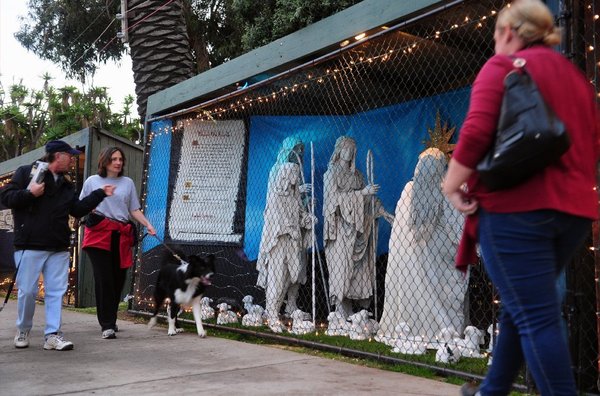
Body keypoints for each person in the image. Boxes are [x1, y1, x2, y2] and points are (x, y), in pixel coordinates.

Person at [442, 1, 598, 394]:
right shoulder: (575, 77)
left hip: (515, 211)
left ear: (510, 33)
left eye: (496, 34)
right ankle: (490, 391)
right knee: (521, 306)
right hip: (572, 214)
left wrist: (451, 183)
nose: (496, 43)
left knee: (536, 317)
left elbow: (476, 133)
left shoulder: (503, 67)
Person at [0, 140, 114, 350]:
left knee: (56, 291)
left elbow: (77, 210)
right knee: (27, 291)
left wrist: (99, 194)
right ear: (58, 155)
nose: (72, 159)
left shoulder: (66, 184)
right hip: (30, 244)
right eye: (69, 156)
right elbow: (6, 197)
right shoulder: (27, 173)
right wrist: (29, 193)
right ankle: (23, 329)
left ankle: (52, 334)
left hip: (58, 246)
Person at [378, 148, 466, 345]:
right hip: (433, 261)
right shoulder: (445, 191)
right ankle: (438, 330)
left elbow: (398, 235)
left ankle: (413, 330)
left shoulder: (409, 190)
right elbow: (455, 232)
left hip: (407, 264)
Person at [80, 146, 156, 339]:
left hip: (121, 235)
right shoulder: (92, 181)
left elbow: (133, 209)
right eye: (114, 159)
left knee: (118, 280)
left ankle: (111, 319)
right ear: (104, 160)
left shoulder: (127, 183)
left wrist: (148, 224)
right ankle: (106, 325)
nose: (118, 162)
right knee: (104, 279)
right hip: (99, 234)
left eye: (120, 159)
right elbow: (82, 205)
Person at [323, 136, 393, 319]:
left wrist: (382, 210)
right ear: (339, 150)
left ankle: (351, 308)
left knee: (357, 270)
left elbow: (368, 199)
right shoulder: (331, 173)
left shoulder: (358, 176)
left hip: (357, 230)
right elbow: (333, 200)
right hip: (340, 229)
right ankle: (340, 307)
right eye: (346, 148)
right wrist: (362, 193)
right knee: (341, 267)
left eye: (353, 149)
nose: (350, 152)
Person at [255, 137, 314, 332]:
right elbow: (276, 219)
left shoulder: (294, 196)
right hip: (278, 242)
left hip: (293, 242)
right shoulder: (276, 195)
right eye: (294, 176)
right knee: (277, 277)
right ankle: (271, 312)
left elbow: (299, 214)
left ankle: (286, 307)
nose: (297, 179)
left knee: (292, 275)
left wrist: (307, 219)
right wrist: (292, 227)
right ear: (286, 175)